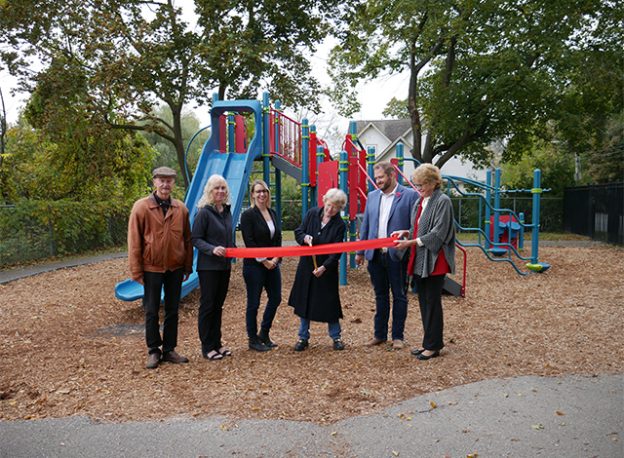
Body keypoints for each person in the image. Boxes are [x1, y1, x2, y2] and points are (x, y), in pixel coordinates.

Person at [127, 166, 193, 369]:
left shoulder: (180, 208)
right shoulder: (142, 207)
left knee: (173, 310)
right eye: (161, 180)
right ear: (154, 182)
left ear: (174, 183)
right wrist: (136, 270)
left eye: (169, 181)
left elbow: (187, 239)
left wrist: (187, 266)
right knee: (151, 310)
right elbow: (134, 240)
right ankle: (154, 350)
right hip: (151, 267)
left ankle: (169, 349)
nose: (165, 184)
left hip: (175, 268)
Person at [394, 163, 455, 360]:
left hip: (435, 259)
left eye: (421, 185)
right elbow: (417, 227)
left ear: (432, 183)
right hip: (421, 258)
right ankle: (428, 342)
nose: (418, 188)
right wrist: (406, 233)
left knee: (432, 302)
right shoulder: (420, 202)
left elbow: (439, 232)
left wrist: (411, 242)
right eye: (416, 184)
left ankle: (434, 346)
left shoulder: (442, 201)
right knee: (423, 301)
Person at [355, 162, 418, 349]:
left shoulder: (409, 196)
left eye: (381, 177)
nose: (378, 181)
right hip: (375, 255)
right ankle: (379, 334)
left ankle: (398, 336)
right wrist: (360, 252)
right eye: (376, 178)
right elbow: (366, 225)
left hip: (398, 255)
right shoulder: (373, 197)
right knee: (380, 295)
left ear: (392, 176)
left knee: (399, 295)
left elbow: (415, 226)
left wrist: (406, 233)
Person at [288, 188, 347, 351]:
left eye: (335, 207)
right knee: (305, 301)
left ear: (339, 208)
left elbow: (337, 251)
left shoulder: (340, 225)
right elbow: (299, 232)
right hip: (307, 266)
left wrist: (324, 267)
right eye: (329, 205)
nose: (330, 209)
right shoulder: (312, 213)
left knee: (330, 303)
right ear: (324, 200)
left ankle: (336, 337)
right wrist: (304, 238)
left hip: (326, 269)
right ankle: (302, 337)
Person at [192, 174, 235, 361]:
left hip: (224, 267)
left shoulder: (226, 211)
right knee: (208, 306)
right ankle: (207, 345)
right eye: (216, 188)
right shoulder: (203, 212)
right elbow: (195, 239)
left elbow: (228, 237)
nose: (220, 191)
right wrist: (212, 249)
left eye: (223, 188)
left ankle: (217, 343)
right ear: (210, 191)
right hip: (209, 267)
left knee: (218, 306)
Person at [240, 179, 282, 352]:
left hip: (273, 264)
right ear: (252, 194)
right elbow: (249, 241)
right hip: (254, 265)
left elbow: (278, 239)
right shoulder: (248, 215)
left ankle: (264, 333)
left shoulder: (272, 212)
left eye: (264, 191)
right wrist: (264, 260)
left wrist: (276, 259)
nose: (261, 194)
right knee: (253, 303)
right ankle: (252, 339)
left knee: (276, 298)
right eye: (258, 192)